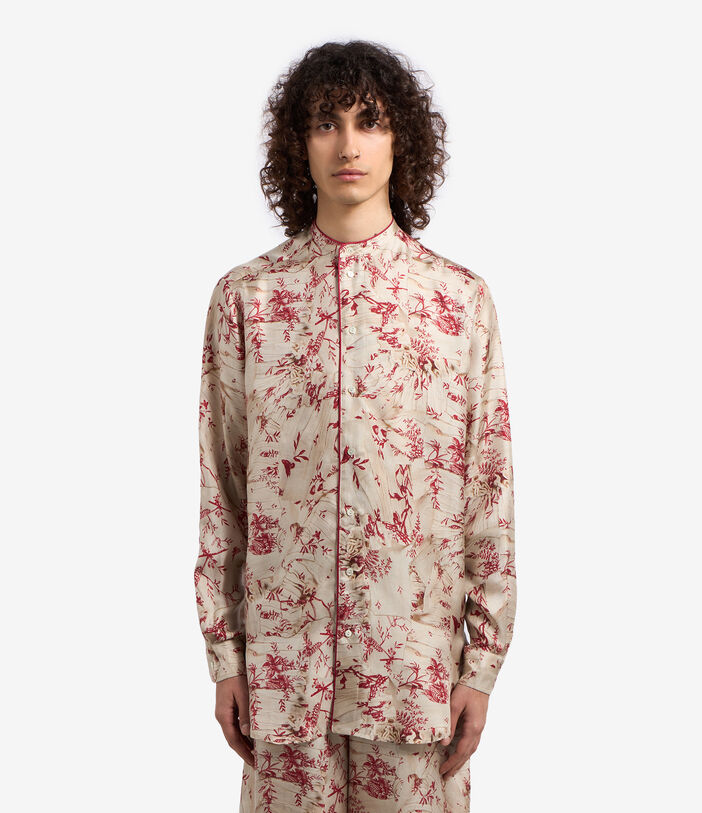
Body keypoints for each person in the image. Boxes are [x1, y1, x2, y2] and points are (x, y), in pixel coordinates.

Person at [195, 40, 517, 812]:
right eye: (325, 123)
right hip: (284, 680)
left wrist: (481, 665)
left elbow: (489, 491)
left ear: (401, 139)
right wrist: (225, 654)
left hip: (413, 680)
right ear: (297, 144)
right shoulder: (248, 299)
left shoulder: (458, 302)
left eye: (369, 122)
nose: (347, 144)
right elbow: (221, 489)